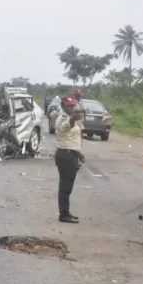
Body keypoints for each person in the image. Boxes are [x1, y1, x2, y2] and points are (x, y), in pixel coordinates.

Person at [55, 95, 85, 224]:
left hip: (71, 154)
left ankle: (66, 212)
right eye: (69, 106)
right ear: (63, 106)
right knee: (65, 186)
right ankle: (63, 214)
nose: (72, 108)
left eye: (73, 106)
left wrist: (79, 153)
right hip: (65, 155)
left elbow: (73, 138)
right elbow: (65, 128)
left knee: (68, 186)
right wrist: (72, 119)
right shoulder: (62, 118)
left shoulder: (72, 118)